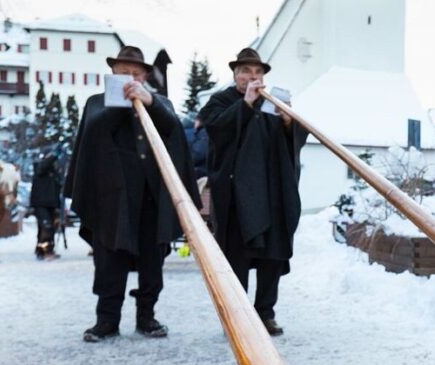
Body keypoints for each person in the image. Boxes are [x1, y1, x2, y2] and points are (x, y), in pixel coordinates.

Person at [64, 46, 200, 342]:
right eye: (124, 72)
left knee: (153, 262)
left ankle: (146, 316)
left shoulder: (159, 102)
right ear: (113, 72)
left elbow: (174, 131)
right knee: (109, 262)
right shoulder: (97, 103)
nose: (129, 78)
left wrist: (150, 102)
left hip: (152, 198)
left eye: (136, 73)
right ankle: (106, 320)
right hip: (111, 199)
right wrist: (118, 103)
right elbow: (94, 137)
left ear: (145, 76)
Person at [199, 48, 307, 336]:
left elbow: (296, 138)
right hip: (237, 197)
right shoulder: (221, 101)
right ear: (235, 74)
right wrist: (245, 105)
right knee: (237, 258)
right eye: (246, 71)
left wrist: (288, 122)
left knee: (272, 256)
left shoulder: (272, 102)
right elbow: (216, 130)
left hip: (273, 193)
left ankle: (265, 314)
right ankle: (237, 317)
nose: (252, 77)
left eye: (257, 72)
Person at [29, 148, 62, 260]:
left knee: (49, 228)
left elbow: (58, 188)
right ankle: (45, 250)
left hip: (51, 204)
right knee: (46, 226)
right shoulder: (40, 167)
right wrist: (53, 156)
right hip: (41, 204)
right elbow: (42, 167)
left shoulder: (53, 173)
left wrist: (58, 207)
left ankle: (42, 250)